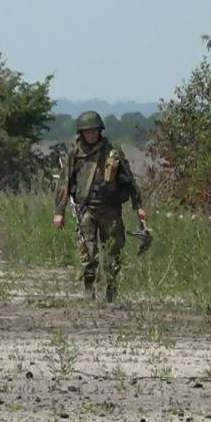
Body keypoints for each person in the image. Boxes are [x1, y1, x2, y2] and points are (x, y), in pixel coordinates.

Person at [52, 110, 145, 302]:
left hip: (110, 210)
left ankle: (111, 290)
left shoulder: (113, 152)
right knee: (88, 253)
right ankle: (89, 290)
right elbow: (64, 183)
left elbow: (129, 180)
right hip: (86, 209)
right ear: (82, 133)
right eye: (87, 131)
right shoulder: (75, 153)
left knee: (113, 251)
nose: (91, 135)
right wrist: (59, 211)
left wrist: (138, 205)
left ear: (100, 130)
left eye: (94, 131)